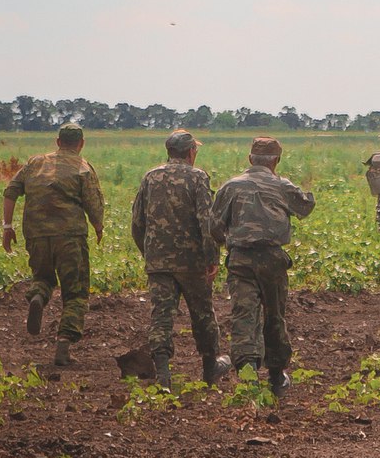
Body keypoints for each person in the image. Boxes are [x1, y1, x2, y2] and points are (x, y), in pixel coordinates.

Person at [210, 136, 315, 397]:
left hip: (241, 259)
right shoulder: (283, 186)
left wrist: (228, 242)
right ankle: (276, 377)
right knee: (274, 315)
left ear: (250, 159)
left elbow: (214, 226)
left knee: (243, 314)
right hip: (272, 260)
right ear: (276, 161)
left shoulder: (231, 186)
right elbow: (305, 208)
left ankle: (247, 375)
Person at [131, 129, 231, 388]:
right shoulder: (197, 177)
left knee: (161, 316)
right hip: (191, 262)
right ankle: (210, 367)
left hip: (158, 262)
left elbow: (137, 222)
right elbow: (206, 222)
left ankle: (163, 375)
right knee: (203, 314)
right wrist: (212, 258)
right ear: (190, 152)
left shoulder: (150, 177)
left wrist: (149, 254)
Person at [2, 123, 104, 366]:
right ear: (81, 144)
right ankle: (63, 346)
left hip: (36, 235)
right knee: (75, 292)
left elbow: (10, 192)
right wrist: (98, 227)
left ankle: (38, 295)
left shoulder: (35, 163)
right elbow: (93, 204)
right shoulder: (83, 167)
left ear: (58, 142)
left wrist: (7, 227)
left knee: (43, 277)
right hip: (70, 237)